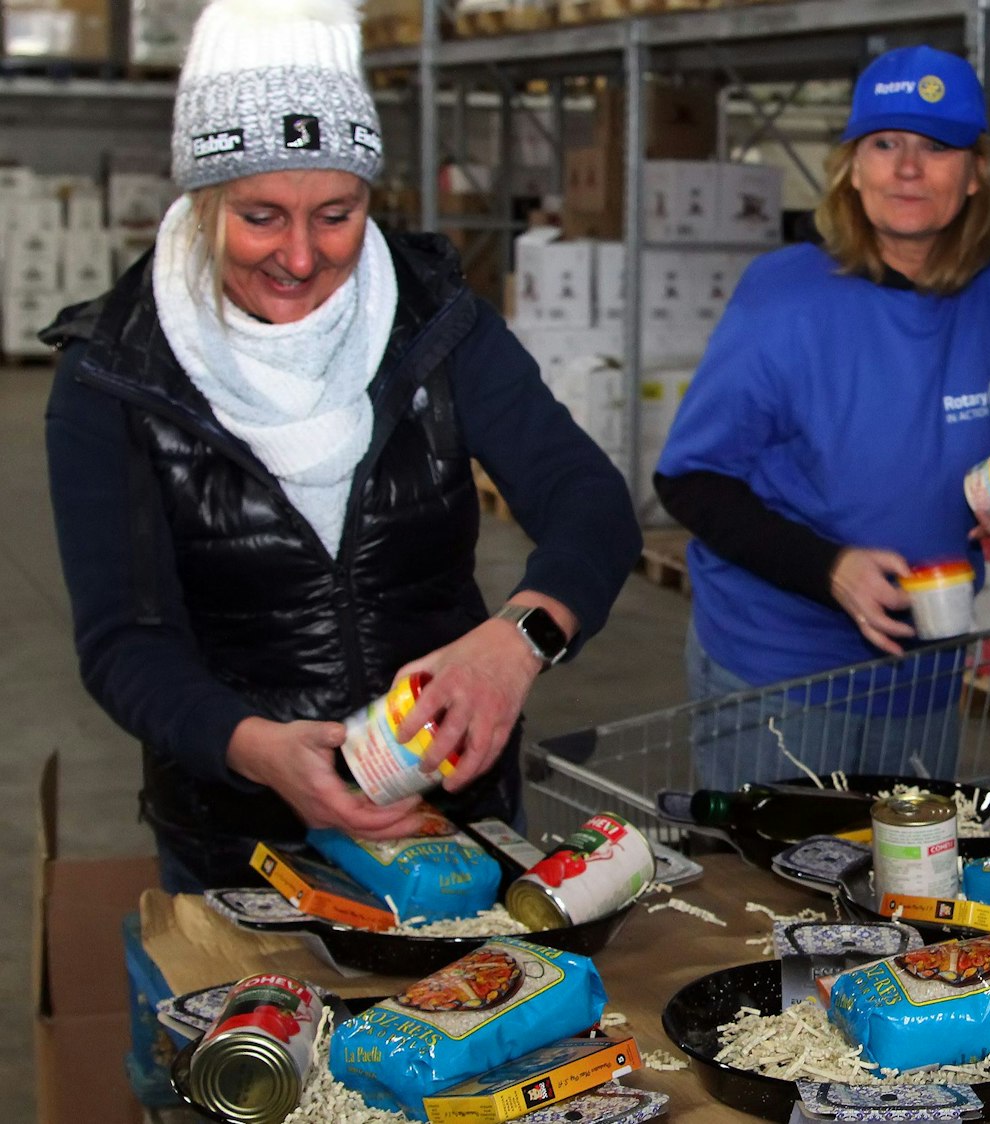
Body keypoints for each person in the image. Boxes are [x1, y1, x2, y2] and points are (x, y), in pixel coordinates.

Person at [42, 0, 641, 892]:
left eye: (336, 213)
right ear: (202, 203)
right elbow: (127, 641)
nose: (300, 256)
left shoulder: (436, 326)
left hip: (455, 819)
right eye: (260, 216)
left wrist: (515, 643)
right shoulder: (113, 379)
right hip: (241, 849)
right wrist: (256, 750)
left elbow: (586, 497)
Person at [657, 45, 990, 789]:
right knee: (767, 894)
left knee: (905, 892)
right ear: (850, 165)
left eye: (935, 146)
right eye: (884, 144)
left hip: (927, 669)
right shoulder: (784, 297)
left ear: (976, 172)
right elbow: (692, 479)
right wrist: (830, 570)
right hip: (780, 673)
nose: (907, 169)